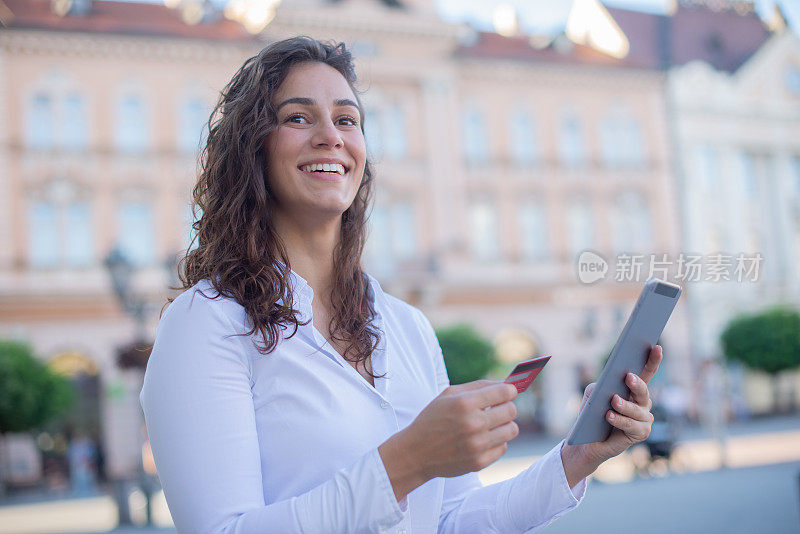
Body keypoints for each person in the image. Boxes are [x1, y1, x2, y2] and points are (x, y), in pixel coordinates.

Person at [139, 36, 663, 534]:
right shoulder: (206, 322)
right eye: (298, 117)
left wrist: (577, 458)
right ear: (251, 148)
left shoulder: (405, 325)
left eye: (348, 119)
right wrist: (411, 458)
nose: (332, 136)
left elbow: (452, 519)